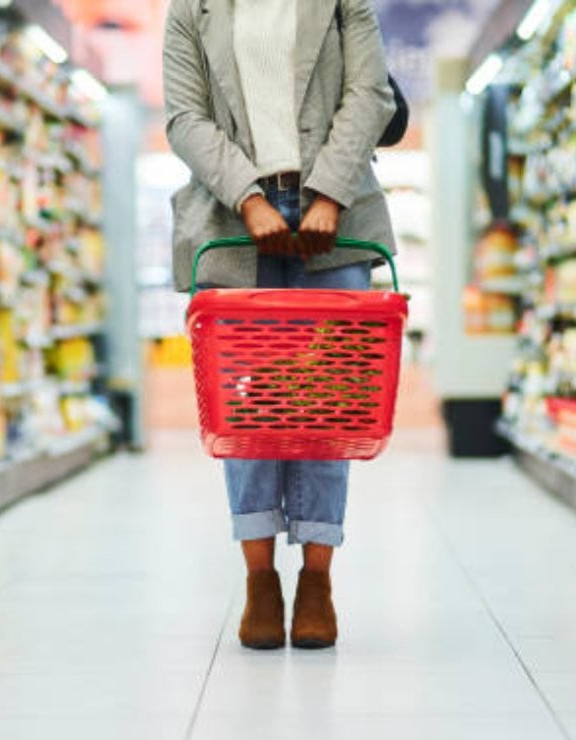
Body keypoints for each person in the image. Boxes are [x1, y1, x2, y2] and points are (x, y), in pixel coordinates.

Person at [163, 0, 396, 649]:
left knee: (329, 408)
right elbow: (185, 117)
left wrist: (328, 194)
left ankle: (316, 579)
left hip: (338, 217)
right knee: (248, 412)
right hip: (231, 219)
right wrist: (248, 197)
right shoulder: (192, 9)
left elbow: (369, 94)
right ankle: (259, 579)